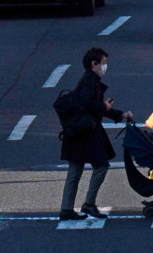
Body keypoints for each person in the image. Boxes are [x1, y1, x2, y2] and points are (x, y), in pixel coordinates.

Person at [59, 47, 132, 221]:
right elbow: (88, 105)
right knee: (101, 165)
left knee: (75, 169)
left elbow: (93, 106)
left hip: (77, 132)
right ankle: (88, 204)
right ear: (94, 64)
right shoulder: (89, 81)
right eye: (104, 63)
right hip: (86, 132)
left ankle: (67, 208)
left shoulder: (89, 79)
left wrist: (118, 113)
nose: (105, 67)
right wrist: (106, 108)